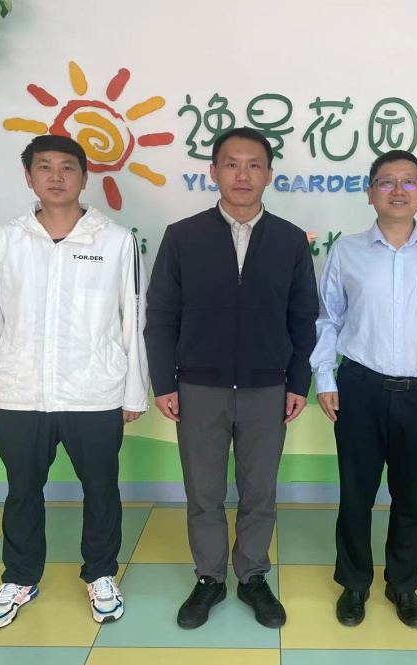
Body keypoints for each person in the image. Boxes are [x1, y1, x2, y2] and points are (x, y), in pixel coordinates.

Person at [144, 127, 318, 629]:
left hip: (268, 388)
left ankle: (253, 576)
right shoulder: (183, 236)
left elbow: (303, 317)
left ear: (269, 174)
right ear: (214, 171)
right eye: (232, 164)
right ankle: (209, 578)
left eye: (254, 164)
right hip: (199, 386)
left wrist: (297, 382)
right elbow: (161, 314)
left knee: (259, 491)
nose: (243, 175)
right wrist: (164, 382)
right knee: (204, 491)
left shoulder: (289, 239)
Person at [0, 134, 149, 628]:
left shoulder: (115, 241)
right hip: (20, 391)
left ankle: (101, 574)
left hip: (93, 392)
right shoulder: (4, 241)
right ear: (28, 176)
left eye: (67, 167)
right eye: (44, 167)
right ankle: (20, 577)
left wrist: (134, 391)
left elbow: (133, 318)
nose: (56, 176)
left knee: (102, 490)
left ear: (84, 177)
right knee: (22, 491)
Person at [310, 149, 417, 628]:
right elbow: (328, 319)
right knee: (356, 495)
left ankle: (403, 585)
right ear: (369, 193)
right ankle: (354, 583)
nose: (398, 190)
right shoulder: (347, 251)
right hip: (359, 388)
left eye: (409, 181)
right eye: (386, 181)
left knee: (410, 497)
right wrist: (325, 377)